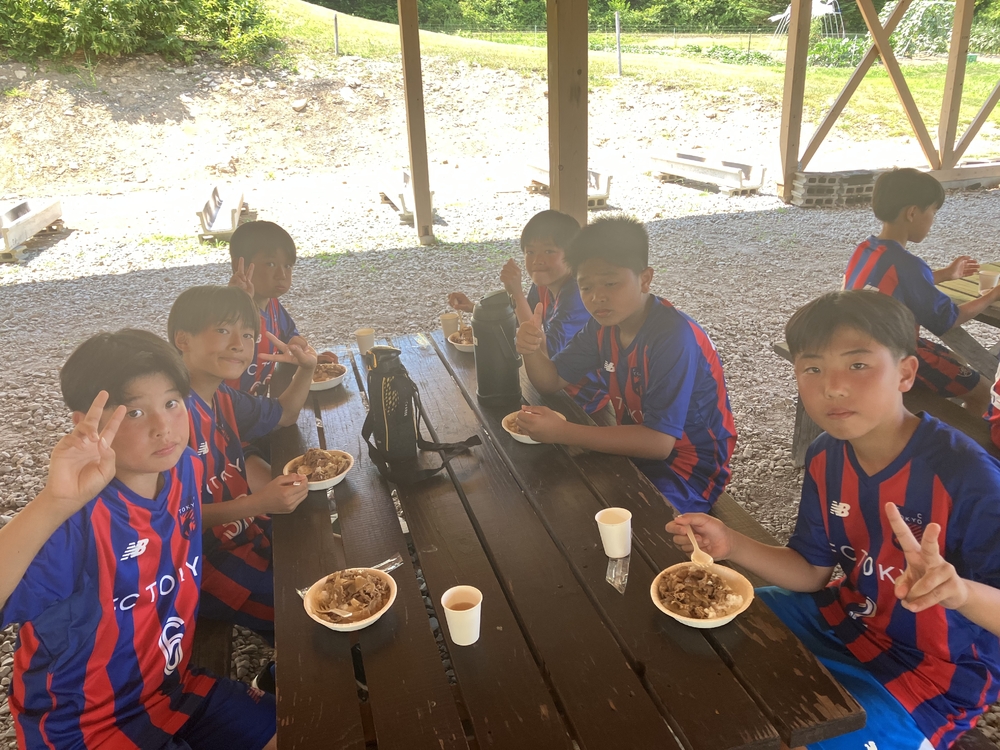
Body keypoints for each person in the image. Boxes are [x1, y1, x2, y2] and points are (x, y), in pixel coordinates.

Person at [668, 290, 1000, 750]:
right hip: (840, 616)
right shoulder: (826, 454)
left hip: (929, 676)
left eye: (857, 364)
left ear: (906, 373)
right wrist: (731, 544)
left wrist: (959, 592)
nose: (833, 387)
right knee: (695, 632)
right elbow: (811, 570)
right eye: (813, 368)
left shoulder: (968, 475)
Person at [0, 330, 277, 750]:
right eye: (133, 412)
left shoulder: (183, 469)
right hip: (84, 728)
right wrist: (52, 503)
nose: (163, 428)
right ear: (87, 423)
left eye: (171, 403)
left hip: (173, 690)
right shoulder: (76, 521)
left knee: (304, 731)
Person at [515, 215, 736, 514]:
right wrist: (530, 349)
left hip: (687, 470)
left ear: (645, 279)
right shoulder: (602, 327)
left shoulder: (673, 336)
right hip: (636, 448)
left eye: (610, 283)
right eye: (586, 287)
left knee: (612, 517)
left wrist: (563, 431)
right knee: (548, 492)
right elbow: (550, 380)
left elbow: (659, 443)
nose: (597, 297)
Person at [168, 285, 316, 640]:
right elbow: (171, 518)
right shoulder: (168, 418)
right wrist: (259, 502)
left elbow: (284, 415)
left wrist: (306, 370)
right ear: (182, 339)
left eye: (248, 335)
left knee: (319, 547)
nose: (239, 344)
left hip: (244, 528)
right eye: (223, 330)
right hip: (201, 562)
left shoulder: (222, 396)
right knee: (306, 609)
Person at [842, 167, 1000, 415]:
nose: (932, 220)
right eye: (933, 212)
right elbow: (948, 319)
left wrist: (946, 274)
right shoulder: (908, 264)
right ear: (913, 213)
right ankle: (949, 437)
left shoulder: (867, 249)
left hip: (859, 343)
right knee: (983, 390)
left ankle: (931, 420)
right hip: (890, 353)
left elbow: (898, 283)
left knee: (958, 361)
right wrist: (992, 295)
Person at [449, 209, 608, 413]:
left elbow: (545, 351)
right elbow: (523, 319)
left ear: (573, 255)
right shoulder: (544, 285)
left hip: (581, 398)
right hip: (548, 381)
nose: (537, 260)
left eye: (549, 251)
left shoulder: (577, 296)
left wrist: (516, 293)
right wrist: (475, 308)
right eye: (530, 252)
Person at [226, 220, 311, 397]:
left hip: (258, 402)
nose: (282, 275)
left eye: (287, 266)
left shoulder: (273, 305)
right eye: (271, 264)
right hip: (225, 406)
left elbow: (290, 338)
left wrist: (302, 352)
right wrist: (237, 301)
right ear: (239, 265)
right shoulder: (226, 312)